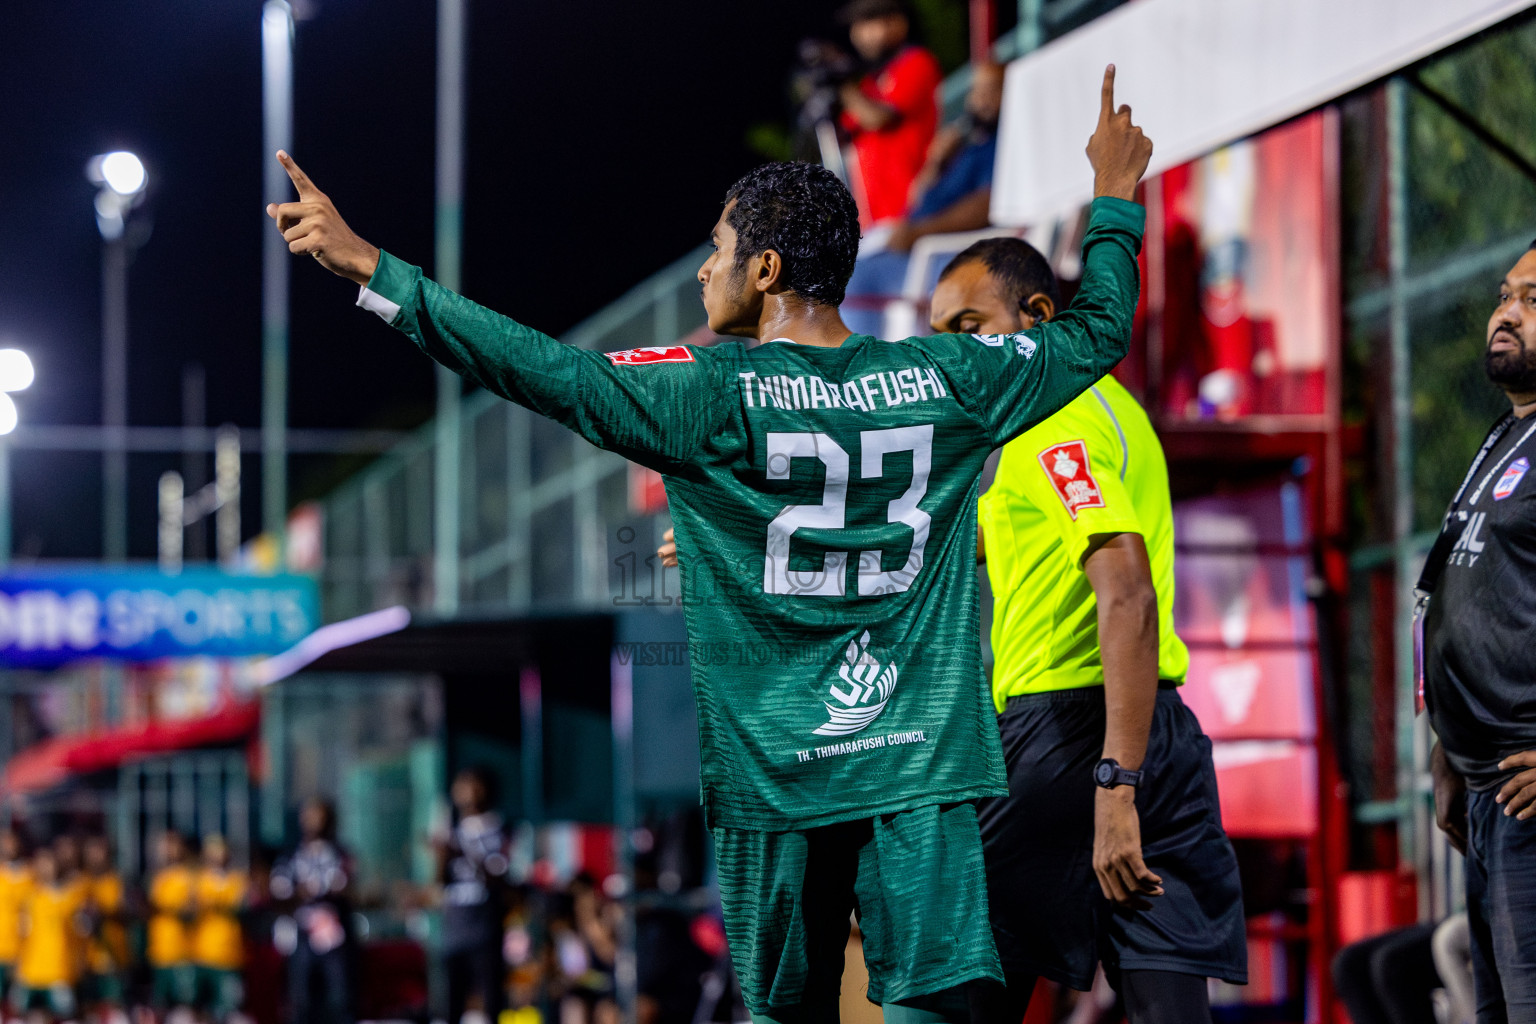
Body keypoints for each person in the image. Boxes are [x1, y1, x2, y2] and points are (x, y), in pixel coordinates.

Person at [269, 64, 1151, 1024]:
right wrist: (1112, 199)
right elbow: (1100, 329)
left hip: (777, 777)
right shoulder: (947, 375)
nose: (704, 269)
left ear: (765, 271)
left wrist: (376, 272)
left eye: (719, 249)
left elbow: (543, 370)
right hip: (917, 769)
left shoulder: (705, 389)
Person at [927, 237, 1248, 1023]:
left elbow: (1127, 593)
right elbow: (955, 539)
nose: (952, 354)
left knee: (951, 993)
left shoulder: (1053, 417)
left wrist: (1114, 782)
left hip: (1068, 741)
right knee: (1168, 1011)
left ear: (1038, 317)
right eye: (939, 336)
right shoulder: (1111, 411)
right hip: (1159, 735)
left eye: (969, 327)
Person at [1426, 240, 1536, 1023]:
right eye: (1505, 295)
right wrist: (1448, 746)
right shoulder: (1504, 435)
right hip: (1484, 791)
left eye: (1533, 301)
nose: (1507, 313)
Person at [842, 62, 1006, 339]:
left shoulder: (1001, 145)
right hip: (918, 245)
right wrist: (936, 162)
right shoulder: (969, 147)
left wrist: (918, 232)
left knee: (853, 278)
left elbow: (987, 205)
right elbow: (918, 196)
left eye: (992, 90)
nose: (981, 100)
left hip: (948, 253)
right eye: (977, 91)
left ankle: (861, 363)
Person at [836, 0, 942, 228]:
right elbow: (843, 134)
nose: (861, 34)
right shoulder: (868, 84)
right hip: (873, 219)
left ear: (898, 23)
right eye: (858, 26)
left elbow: (877, 119)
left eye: (869, 23)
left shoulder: (916, 62)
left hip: (911, 211)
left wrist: (842, 85)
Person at [270, 799, 356, 1024]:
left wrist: (323, 889)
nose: (313, 821)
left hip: (335, 936)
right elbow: (279, 889)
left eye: (318, 816)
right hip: (303, 934)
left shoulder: (339, 854)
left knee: (340, 998)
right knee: (301, 1000)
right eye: (308, 815)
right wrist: (301, 891)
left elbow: (345, 885)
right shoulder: (292, 855)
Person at [436, 767, 511, 1024]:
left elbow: (499, 875)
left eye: (474, 787)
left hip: (485, 925)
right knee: (452, 1000)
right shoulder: (454, 830)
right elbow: (441, 881)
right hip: (456, 927)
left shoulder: (499, 828)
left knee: (491, 996)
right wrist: (442, 856)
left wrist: (465, 854)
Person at [12, 847, 85, 1021]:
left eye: (48, 863)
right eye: (41, 863)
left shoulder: (71, 897)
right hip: (30, 973)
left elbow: (80, 935)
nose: (44, 868)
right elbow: (22, 934)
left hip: (59, 972)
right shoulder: (30, 898)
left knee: (65, 1017)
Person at [192, 834, 247, 1023]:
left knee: (230, 1009)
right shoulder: (198, 881)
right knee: (203, 1010)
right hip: (203, 954)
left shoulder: (237, 880)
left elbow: (241, 905)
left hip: (230, 956)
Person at [147, 830, 198, 1013]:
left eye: (172, 845)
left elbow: (192, 910)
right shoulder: (156, 878)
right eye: (164, 846)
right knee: (158, 1009)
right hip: (159, 953)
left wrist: (170, 909)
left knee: (184, 1009)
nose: (167, 850)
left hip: (182, 954)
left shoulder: (190, 876)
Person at [80, 834, 129, 1020]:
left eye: (100, 851)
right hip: (85, 957)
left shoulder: (117, 882)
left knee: (115, 1007)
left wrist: (104, 913)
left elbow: (126, 914)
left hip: (112, 954)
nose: (96, 855)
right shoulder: (80, 882)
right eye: (92, 851)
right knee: (88, 1009)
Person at [0, 829, 32, 1008]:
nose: (8, 848)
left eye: (11, 843)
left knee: (17, 1001)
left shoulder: (29, 875)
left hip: (23, 950)